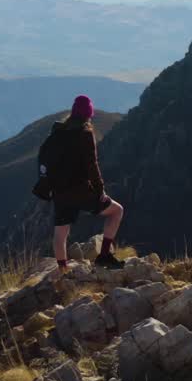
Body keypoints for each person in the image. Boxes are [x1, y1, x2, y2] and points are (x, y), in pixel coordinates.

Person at [49, 94, 125, 272]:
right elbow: (92, 166)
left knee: (60, 234)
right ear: (88, 114)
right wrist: (100, 191)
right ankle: (104, 256)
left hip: (59, 191)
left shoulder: (57, 131)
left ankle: (63, 272)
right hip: (82, 190)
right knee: (117, 211)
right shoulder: (85, 134)